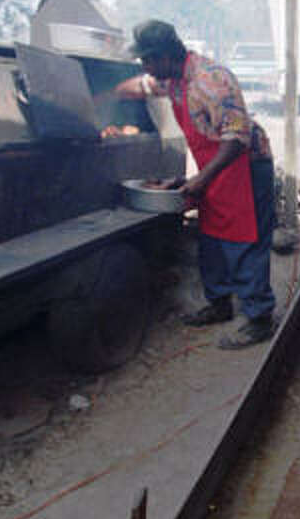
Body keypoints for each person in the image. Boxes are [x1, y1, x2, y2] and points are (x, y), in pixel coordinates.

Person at [114, 20, 277, 348]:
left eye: (146, 60)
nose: (144, 67)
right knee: (213, 239)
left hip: (245, 165)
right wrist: (106, 93)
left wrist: (201, 178)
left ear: (162, 56)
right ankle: (219, 305)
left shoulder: (211, 79)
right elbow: (140, 86)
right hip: (216, 169)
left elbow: (236, 138)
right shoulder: (173, 80)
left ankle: (260, 318)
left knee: (244, 241)